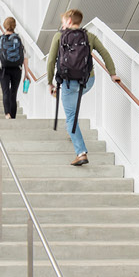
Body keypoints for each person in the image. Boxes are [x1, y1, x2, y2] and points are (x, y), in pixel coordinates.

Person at [46, 9, 120, 167]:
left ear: (69, 22)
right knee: (73, 105)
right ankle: (72, 129)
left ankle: (81, 153)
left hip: (67, 82)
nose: (62, 24)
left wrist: (50, 82)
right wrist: (112, 74)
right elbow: (105, 53)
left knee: (71, 116)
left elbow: (51, 60)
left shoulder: (59, 36)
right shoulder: (89, 36)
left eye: (64, 21)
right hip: (87, 81)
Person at [0, 16, 29, 119]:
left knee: (5, 91)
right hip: (17, 69)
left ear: (4, 26)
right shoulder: (20, 38)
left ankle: (7, 114)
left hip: (3, 68)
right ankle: (13, 116)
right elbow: (25, 56)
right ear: (14, 26)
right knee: (13, 93)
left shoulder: (0, 38)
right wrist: (26, 73)